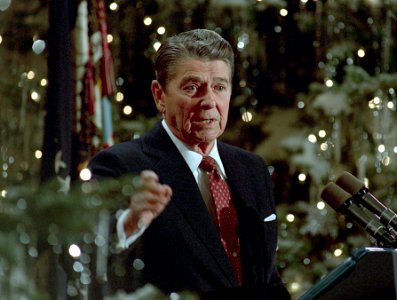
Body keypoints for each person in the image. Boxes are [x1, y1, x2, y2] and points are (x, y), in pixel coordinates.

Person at [88, 28, 290, 299]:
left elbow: (266, 278)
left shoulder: (252, 168)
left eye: (219, 87)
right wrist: (129, 222)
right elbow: (87, 250)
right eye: (192, 87)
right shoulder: (121, 165)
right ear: (160, 95)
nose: (208, 102)